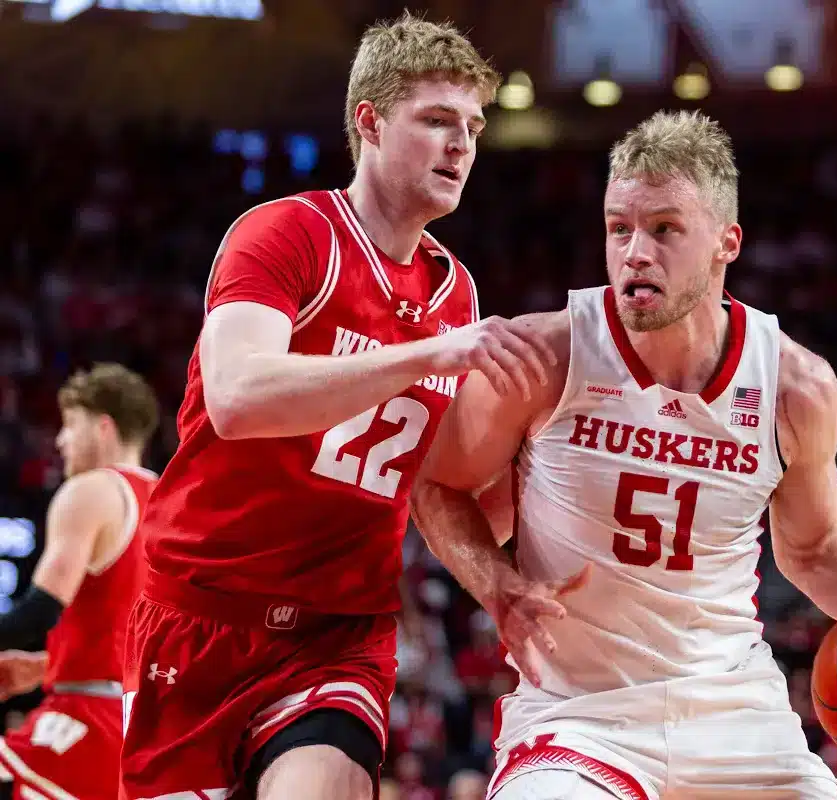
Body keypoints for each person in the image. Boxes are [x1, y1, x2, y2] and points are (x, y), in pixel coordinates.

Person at [411, 110, 837, 799]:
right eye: (619, 228)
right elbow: (438, 484)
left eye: (665, 229)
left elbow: (813, 549)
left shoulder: (795, 387)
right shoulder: (545, 356)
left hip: (737, 716)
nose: (635, 251)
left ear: (727, 243)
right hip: (580, 719)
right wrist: (495, 582)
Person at [118, 13, 554, 800]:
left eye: (473, 126)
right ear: (370, 122)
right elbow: (237, 397)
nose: (462, 145)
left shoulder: (456, 293)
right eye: (436, 121)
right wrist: (426, 357)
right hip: (200, 613)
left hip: (336, 635)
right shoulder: (287, 233)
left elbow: (440, 485)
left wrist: (507, 559)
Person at [0, 364, 159, 800]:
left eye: (70, 425)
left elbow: (39, 611)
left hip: (86, 718)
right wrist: (52, 665)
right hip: (149, 726)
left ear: (103, 427)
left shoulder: (90, 491)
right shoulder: (172, 501)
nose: (60, 441)